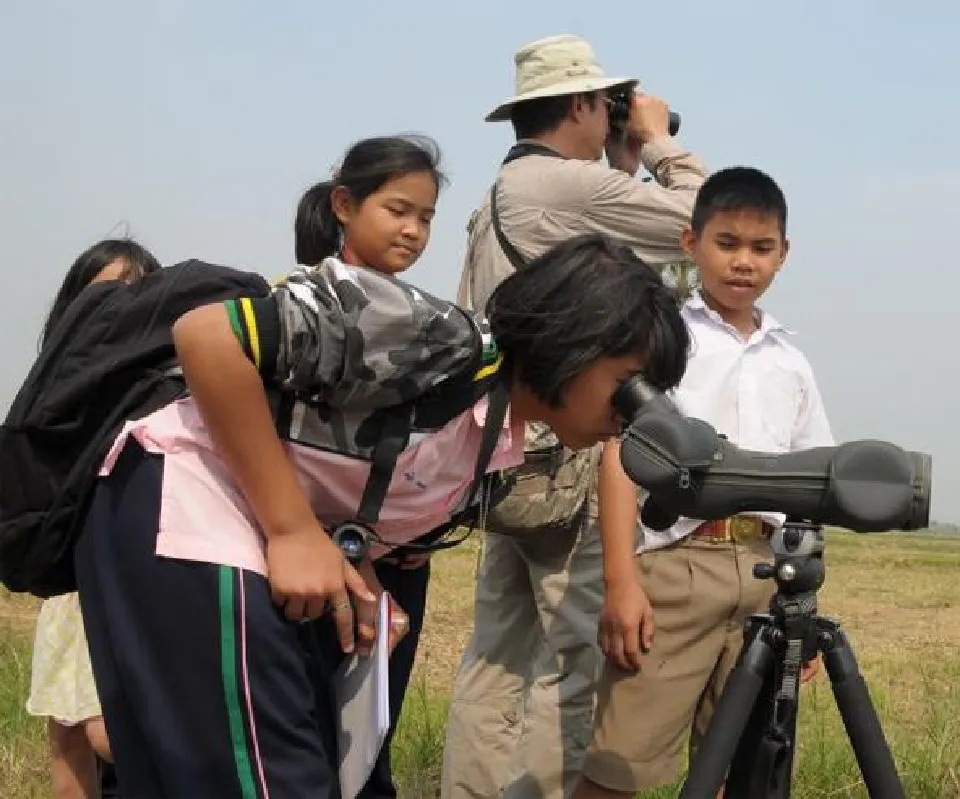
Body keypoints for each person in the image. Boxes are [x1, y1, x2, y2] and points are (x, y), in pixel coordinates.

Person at [71, 131, 690, 799]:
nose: (629, 410)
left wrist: (353, 561)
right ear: (575, 342)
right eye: (626, 382)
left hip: (198, 523)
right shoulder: (434, 336)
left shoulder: (494, 443)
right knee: (280, 777)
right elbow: (207, 336)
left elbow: (336, 471)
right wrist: (290, 530)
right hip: (178, 500)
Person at [442, 33, 707, 799]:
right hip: (569, 450)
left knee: (495, 656)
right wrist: (658, 142)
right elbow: (701, 223)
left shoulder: (500, 194)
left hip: (505, 450)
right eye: (608, 104)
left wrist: (619, 163)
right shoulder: (566, 184)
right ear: (584, 105)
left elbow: (602, 278)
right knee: (574, 656)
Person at [574, 166, 834, 798]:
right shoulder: (666, 341)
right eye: (727, 243)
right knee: (619, 765)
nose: (743, 262)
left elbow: (812, 484)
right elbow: (620, 455)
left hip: (764, 574)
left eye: (761, 247)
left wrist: (803, 602)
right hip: (675, 568)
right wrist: (621, 582)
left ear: (783, 254)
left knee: (741, 769)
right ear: (691, 244)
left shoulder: (790, 362)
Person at [24, 238, 162, 799]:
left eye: (134, 295)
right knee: (69, 733)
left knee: (113, 732)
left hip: (136, 578)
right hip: (70, 583)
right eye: (102, 295)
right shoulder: (51, 390)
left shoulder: (165, 383)